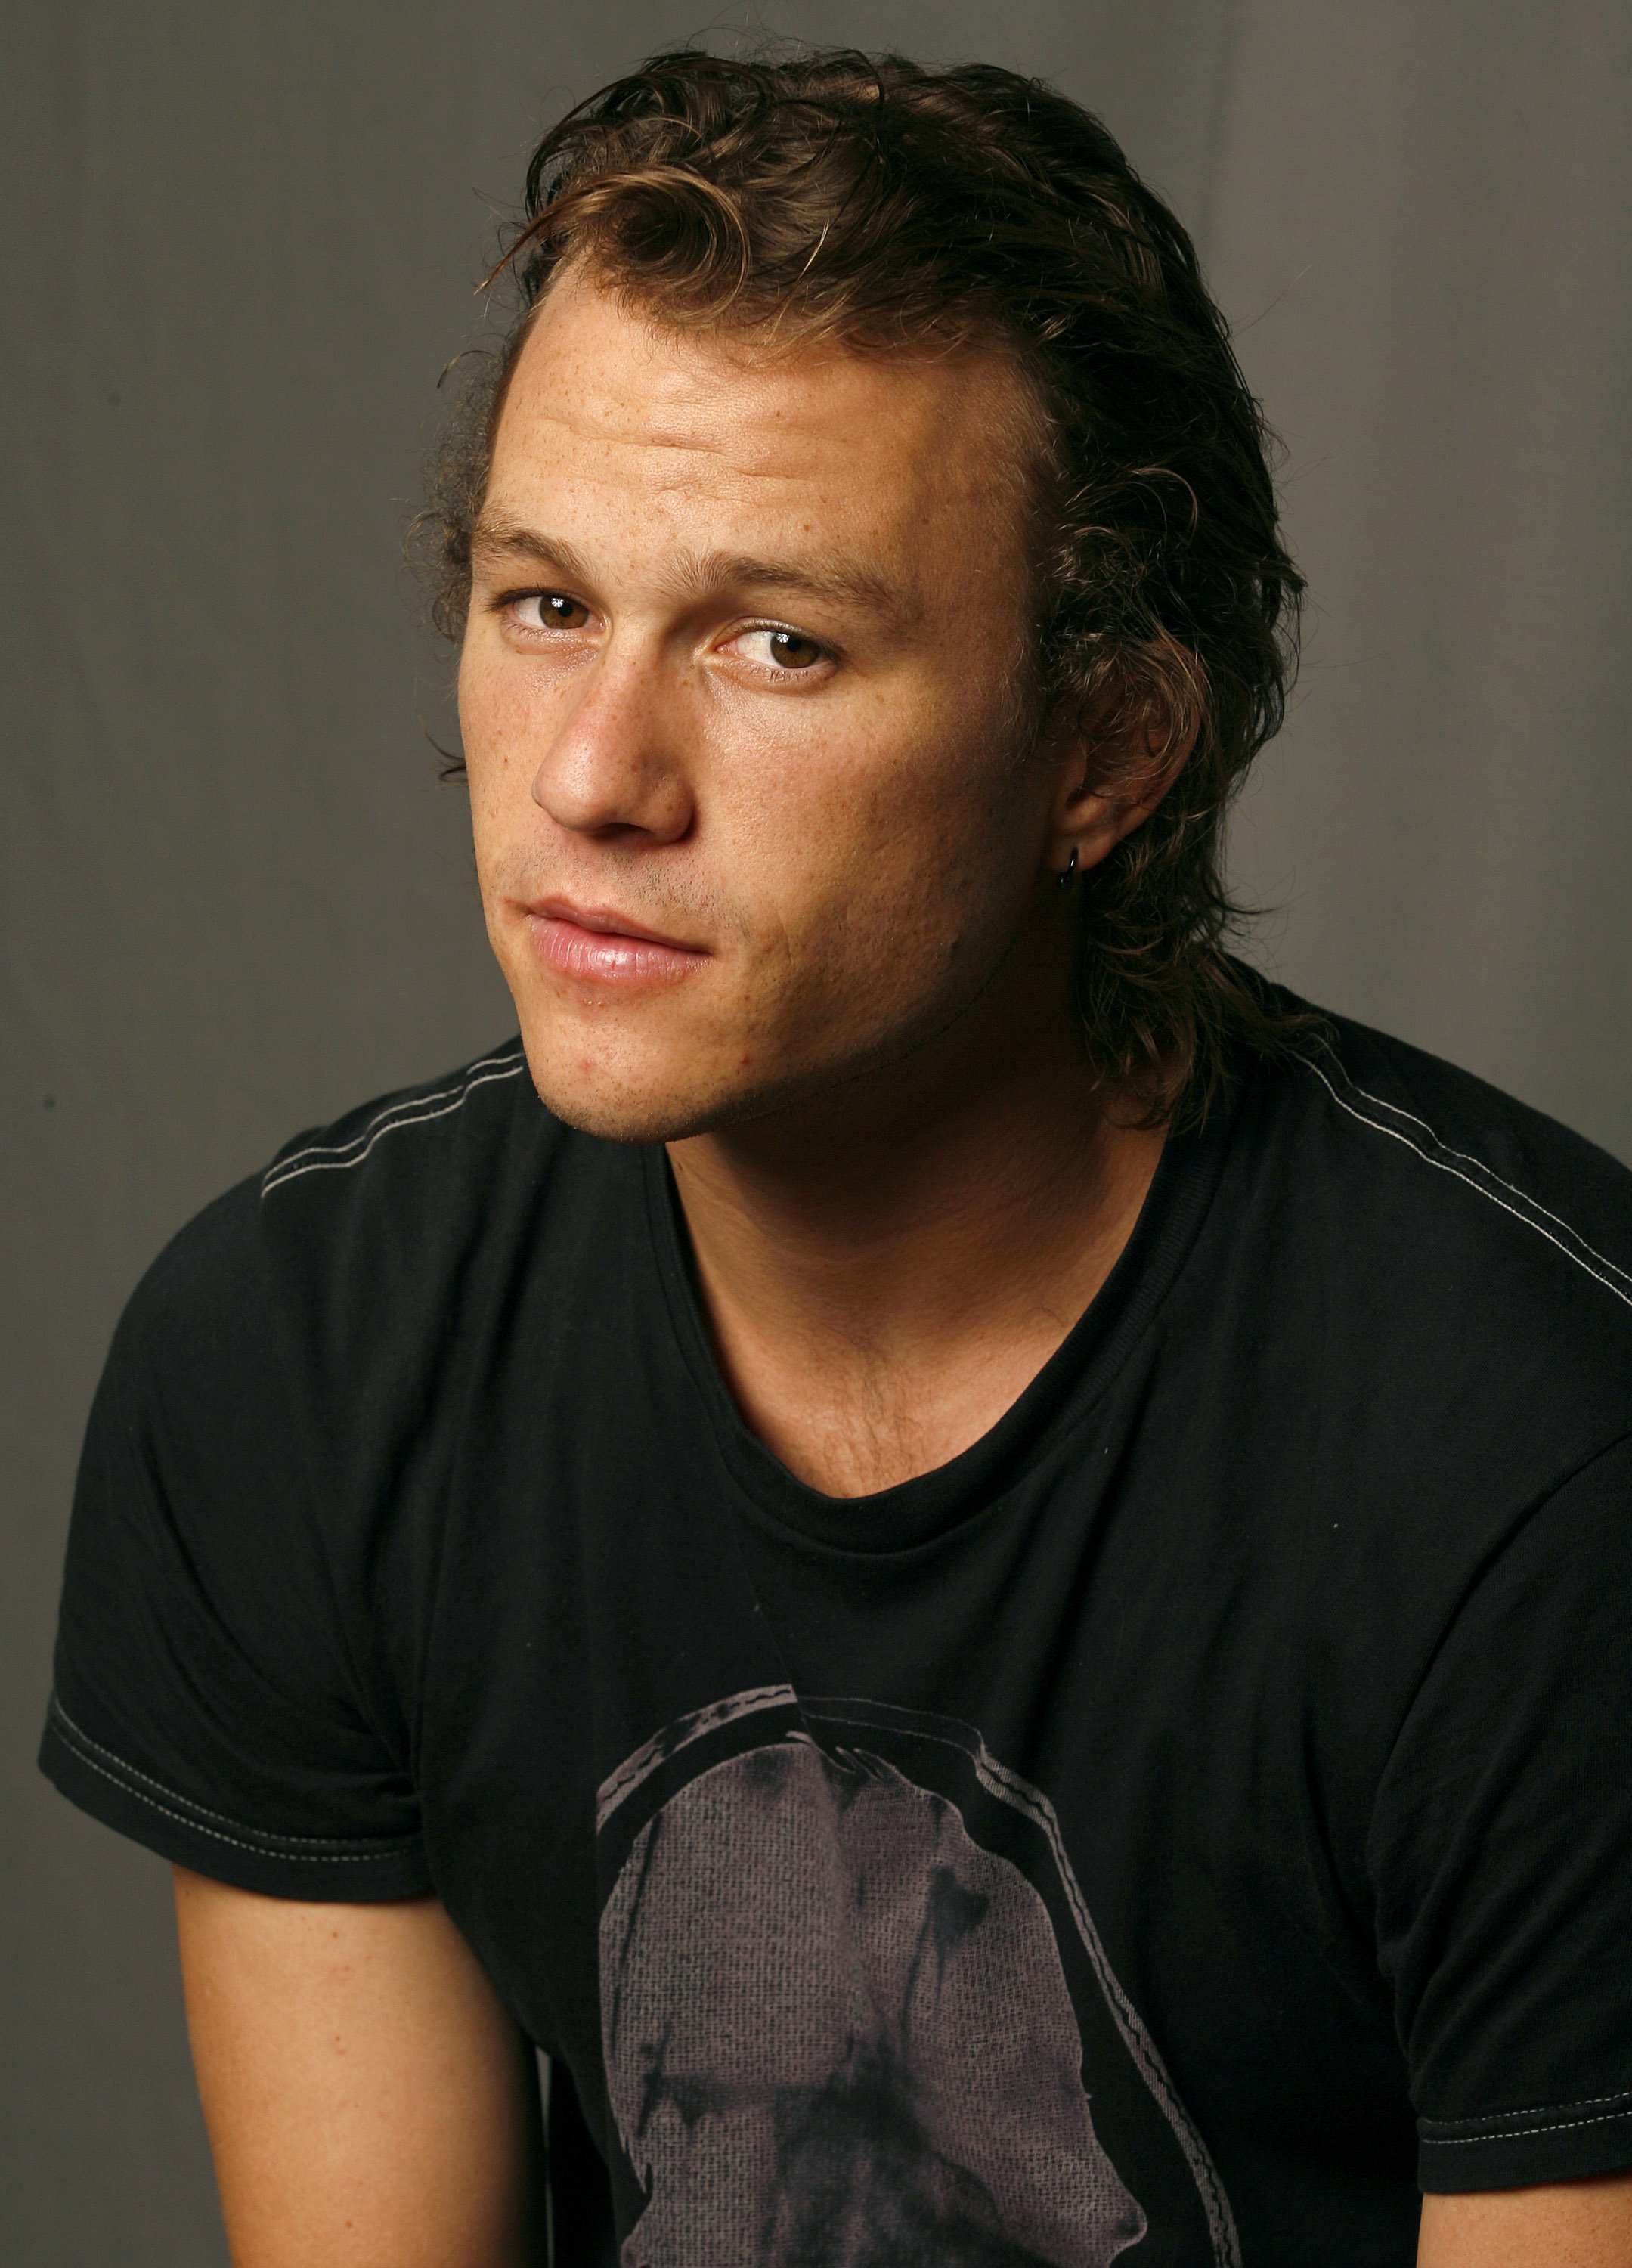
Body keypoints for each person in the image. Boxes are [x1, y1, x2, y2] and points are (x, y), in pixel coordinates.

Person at [39, 48, 1632, 2268]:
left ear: (1105, 746)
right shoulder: (302, 1371)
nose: (595, 775)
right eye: (546, 603)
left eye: (780, 642)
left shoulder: (1541, 1468)